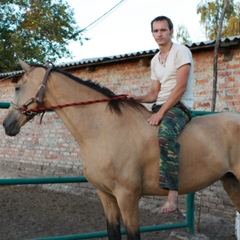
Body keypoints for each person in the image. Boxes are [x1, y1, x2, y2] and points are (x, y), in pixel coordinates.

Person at [128, 16, 194, 214]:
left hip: (179, 106)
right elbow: (154, 93)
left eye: (163, 30)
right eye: (155, 31)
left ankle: (173, 195)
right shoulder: (155, 60)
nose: (159, 34)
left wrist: (162, 113)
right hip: (159, 105)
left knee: (165, 135)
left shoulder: (181, 52)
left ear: (171, 31)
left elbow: (181, 87)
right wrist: (137, 98)